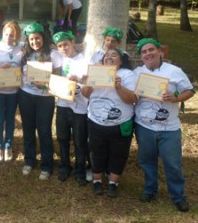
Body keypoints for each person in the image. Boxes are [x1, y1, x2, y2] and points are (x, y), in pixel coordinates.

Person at [134, 38, 195, 212]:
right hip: (144, 126)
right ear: (141, 57)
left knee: (173, 163)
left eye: (151, 50)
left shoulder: (174, 71)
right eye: (144, 52)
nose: (148, 54)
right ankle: (150, 190)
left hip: (169, 128)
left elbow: (190, 90)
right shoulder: (138, 72)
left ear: (160, 52)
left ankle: (178, 196)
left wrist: (176, 98)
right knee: (146, 161)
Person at [82, 48, 137, 198]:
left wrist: (118, 87)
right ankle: (97, 181)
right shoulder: (96, 72)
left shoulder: (127, 75)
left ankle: (113, 184)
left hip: (120, 124)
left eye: (114, 55)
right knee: (96, 152)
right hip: (96, 122)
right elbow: (85, 94)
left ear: (121, 60)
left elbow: (132, 99)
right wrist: (89, 84)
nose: (109, 57)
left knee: (118, 154)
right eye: (107, 55)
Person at [18, 22, 62, 180]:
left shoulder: (53, 54)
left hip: (45, 98)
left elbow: (60, 77)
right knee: (28, 129)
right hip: (25, 95)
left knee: (44, 131)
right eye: (31, 39)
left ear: (43, 37)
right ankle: (29, 161)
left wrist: (45, 85)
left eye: (37, 38)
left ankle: (47, 164)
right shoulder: (24, 54)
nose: (34, 42)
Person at [51, 31, 89, 186]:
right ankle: (64, 166)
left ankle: (80, 170)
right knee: (62, 137)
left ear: (73, 43)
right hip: (62, 104)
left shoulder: (84, 61)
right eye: (60, 46)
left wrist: (78, 81)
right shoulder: (59, 60)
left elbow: (89, 81)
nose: (63, 48)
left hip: (79, 107)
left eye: (66, 44)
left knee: (80, 140)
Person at [0, 21, 23, 163]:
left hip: (14, 91)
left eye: (12, 35)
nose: (9, 37)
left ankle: (8, 146)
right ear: (2, 34)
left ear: (17, 36)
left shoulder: (21, 48)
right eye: (6, 34)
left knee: (10, 119)